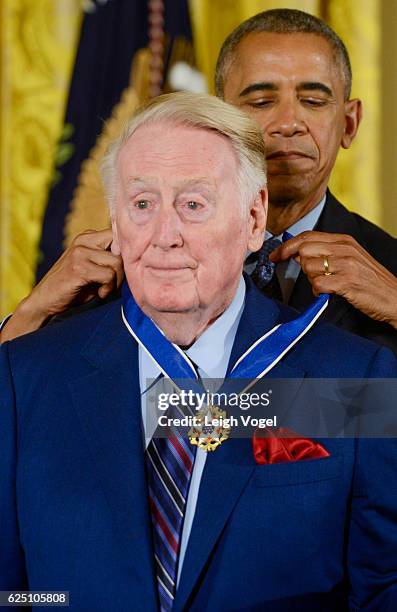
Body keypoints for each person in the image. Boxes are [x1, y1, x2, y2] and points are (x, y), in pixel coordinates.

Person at [1, 92, 397, 611]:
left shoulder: (356, 376)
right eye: (142, 204)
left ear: (254, 219)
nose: (165, 236)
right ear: (116, 222)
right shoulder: (24, 375)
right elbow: (16, 593)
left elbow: (382, 592)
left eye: (193, 204)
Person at [1, 8, 397, 351]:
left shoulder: (389, 270)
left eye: (313, 101)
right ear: (217, 121)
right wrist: (34, 311)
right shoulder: (132, 260)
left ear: (349, 123)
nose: (289, 123)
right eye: (260, 101)